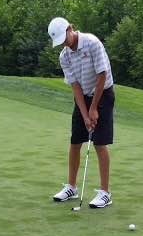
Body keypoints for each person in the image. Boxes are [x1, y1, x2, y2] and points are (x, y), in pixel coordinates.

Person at [48, 17, 115, 208]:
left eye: (65, 39)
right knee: (75, 141)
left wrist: (94, 108)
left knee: (99, 142)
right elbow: (75, 87)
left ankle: (105, 193)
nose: (65, 44)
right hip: (83, 96)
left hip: (103, 93)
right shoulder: (64, 56)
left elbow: (102, 75)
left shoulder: (92, 43)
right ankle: (71, 187)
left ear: (71, 29)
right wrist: (86, 115)